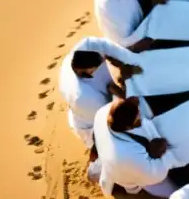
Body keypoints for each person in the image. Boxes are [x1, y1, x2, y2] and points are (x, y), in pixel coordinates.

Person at [58, 36, 141, 166]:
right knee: (108, 150)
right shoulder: (85, 97)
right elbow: (113, 117)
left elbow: (112, 52)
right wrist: (123, 93)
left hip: (103, 99)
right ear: (81, 71)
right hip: (92, 123)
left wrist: (121, 61)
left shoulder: (87, 45)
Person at [92, 96, 179, 198]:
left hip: (110, 159)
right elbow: (157, 175)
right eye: (138, 118)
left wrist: (129, 103)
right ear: (129, 127)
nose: (140, 117)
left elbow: (124, 105)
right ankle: (118, 187)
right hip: (127, 173)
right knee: (175, 192)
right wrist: (155, 155)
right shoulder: (129, 156)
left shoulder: (103, 112)